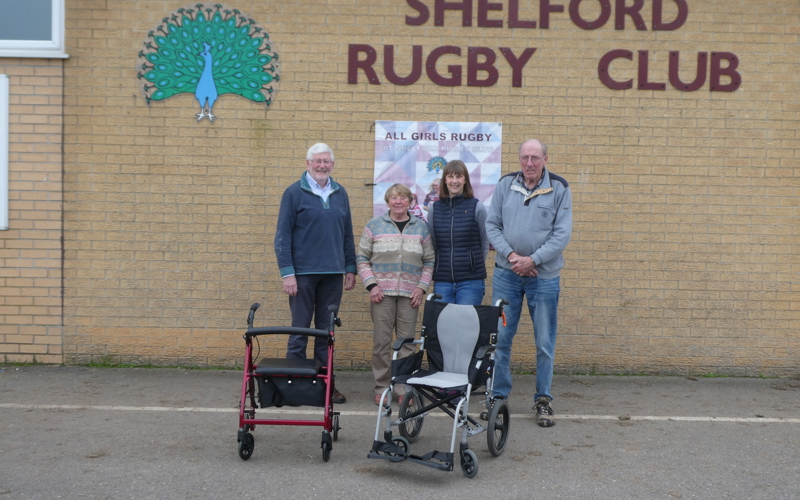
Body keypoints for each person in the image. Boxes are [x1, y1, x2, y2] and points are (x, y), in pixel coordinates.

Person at [485, 139, 572, 427]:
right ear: (519, 159)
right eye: (525, 157)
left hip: (543, 277)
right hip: (506, 274)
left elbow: (561, 235)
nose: (530, 163)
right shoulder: (504, 185)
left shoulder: (559, 188)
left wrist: (532, 260)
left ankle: (543, 399)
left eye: (535, 157)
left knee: (544, 341)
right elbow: (491, 225)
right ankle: (498, 397)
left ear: (545, 158)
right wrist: (513, 257)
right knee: (500, 339)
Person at [274, 142, 356, 404]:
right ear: (308, 163)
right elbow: (282, 236)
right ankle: (293, 388)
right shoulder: (293, 193)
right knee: (299, 331)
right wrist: (288, 273)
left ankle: (325, 386)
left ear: (332, 164)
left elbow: (347, 234)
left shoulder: (340, 192)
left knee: (326, 333)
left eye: (326, 161)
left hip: (333, 273)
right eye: (317, 161)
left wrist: (350, 267)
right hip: (302, 275)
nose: (322, 165)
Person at [357, 183, 435, 406]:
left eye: (403, 197)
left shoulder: (420, 227)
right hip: (381, 295)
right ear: (388, 201)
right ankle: (382, 387)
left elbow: (429, 261)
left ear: (410, 201)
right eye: (394, 198)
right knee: (381, 343)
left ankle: (403, 387)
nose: (398, 201)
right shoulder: (374, 225)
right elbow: (362, 258)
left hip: (410, 295)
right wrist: (372, 285)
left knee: (407, 344)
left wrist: (421, 287)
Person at [427, 160, 489, 305]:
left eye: (459, 176)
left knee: (466, 326)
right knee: (443, 326)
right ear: (445, 181)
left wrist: (474, 265)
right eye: (450, 177)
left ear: (465, 180)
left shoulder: (477, 206)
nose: (454, 181)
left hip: (471, 281)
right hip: (443, 281)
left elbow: (484, 242)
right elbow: (433, 244)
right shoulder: (434, 209)